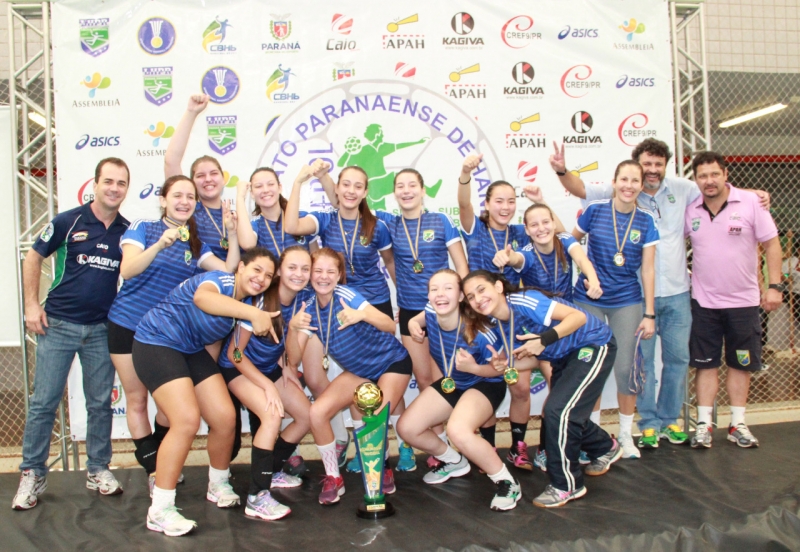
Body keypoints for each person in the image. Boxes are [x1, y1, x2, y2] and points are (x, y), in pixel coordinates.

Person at [551, 138, 770, 449]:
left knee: (678, 359)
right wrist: (562, 171)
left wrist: (753, 196)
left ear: (666, 166)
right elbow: (581, 189)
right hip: (639, 296)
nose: (652, 170)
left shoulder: (685, 189)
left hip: (679, 292)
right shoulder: (621, 190)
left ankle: (670, 421)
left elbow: (716, 187)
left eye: (658, 164)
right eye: (647, 165)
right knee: (643, 364)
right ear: (635, 170)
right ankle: (648, 424)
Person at [132, 247, 279, 537]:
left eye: (268, 275)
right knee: (186, 420)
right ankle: (159, 509)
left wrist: (202, 385)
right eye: (256, 270)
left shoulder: (244, 303)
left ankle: (218, 483)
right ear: (240, 268)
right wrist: (254, 313)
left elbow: (216, 346)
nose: (261, 278)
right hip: (156, 342)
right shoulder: (222, 281)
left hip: (189, 350)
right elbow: (203, 298)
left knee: (224, 416)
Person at [13, 158, 130, 511]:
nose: (114, 188)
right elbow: (33, 258)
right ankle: (32, 473)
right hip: (58, 325)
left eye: (121, 183)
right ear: (95, 184)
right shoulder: (68, 221)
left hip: (101, 329)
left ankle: (98, 469)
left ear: (126, 188)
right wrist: (31, 305)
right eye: (108, 181)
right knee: (44, 403)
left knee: (100, 403)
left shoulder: (127, 230)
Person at [107, 175, 239, 484]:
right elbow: (127, 270)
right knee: (137, 399)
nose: (184, 201)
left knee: (169, 411)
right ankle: (155, 470)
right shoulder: (144, 227)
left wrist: (232, 235)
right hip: (128, 325)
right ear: (163, 200)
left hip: (167, 334)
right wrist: (158, 245)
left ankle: (163, 460)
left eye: (190, 197)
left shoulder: (195, 242)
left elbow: (228, 270)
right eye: (177, 195)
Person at [460, 270, 620, 508]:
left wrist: (543, 340)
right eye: (471, 296)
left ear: (499, 287)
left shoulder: (524, 301)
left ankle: (567, 485)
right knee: (564, 411)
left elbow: (577, 317)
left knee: (558, 411)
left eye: (481, 290)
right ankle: (605, 447)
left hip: (592, 344)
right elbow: (532, 360)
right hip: (563, 357)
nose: (477, 299)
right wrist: (505, 365)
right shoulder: (500, 326)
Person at [287, 248, 412, 506]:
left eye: (330, 271)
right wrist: (292, 328)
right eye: (318, 271)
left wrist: (362, 314)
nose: (323, 277)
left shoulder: (347, 295)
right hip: (358, 372)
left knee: (373, 420)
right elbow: (294, 357)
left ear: (339, 275)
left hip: (391, 363)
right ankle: (334, 477)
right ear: (310, 275)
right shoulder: (308, 305)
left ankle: (384, 467)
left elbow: (390, 325)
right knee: (316, 413)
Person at [399, 269, 521, 511]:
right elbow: (419, 318)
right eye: (434, 289)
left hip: (485, 383)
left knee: (458, 431)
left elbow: (501, 371)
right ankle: (454, 461)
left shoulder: (481, 332)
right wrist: (412, 323)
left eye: (448, 288)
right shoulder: (431, 310)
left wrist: (474, 367)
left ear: (461, 296)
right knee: (407, 428)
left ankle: (507, 482)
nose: (440, 294)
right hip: (454, 383)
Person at [457, 154, 549, 469]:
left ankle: (518, 447)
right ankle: (486, 448)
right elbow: (464, 204)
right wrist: (465, 173)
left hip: (511, 317)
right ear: (487, 203)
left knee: (519, 386)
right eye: (499, 201)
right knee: (485, 383)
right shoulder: (475, 228)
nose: (505, 207)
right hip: (480, 318)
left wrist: (541, 202)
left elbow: (559, 235)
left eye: (511, 201)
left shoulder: (521, 233)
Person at [685, 151, 782, 449]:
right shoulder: (690, 209)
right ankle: (704, 425)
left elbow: (772, 243)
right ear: (695, 179)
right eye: (703, 175)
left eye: (715, 174)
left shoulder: (751, 202)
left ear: (726, 175)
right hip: (704, 302)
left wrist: (774, 286)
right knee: (706, 364)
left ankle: (737, 424)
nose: (709, 180)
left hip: (744, 302)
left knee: (741, 364)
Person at [568, 160, 658, 459]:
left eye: (635, 181)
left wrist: (649, 313)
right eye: (624, 179)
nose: (629, 186)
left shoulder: (646, 220)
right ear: (615, 181)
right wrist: (584, 275)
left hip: (626, 301)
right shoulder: (595, 210)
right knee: (591, 368)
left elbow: (648, 270)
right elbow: (570, 245)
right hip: (588, 300)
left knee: (625, 370)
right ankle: (591, 436)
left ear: (641, 185)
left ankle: (625, 434)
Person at [217, 247, 315, 521]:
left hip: (270, 368)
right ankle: (257, 497)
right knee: (272, 416)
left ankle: (270, 470)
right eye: (292, 267)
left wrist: (292, 332)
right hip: (237, 369)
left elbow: (294, 358)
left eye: (305, 269)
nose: (298, 274)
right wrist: (267, 385)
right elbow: (234, 354)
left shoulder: (304, 300)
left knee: (307, 416)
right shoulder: (260, 300)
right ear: (280, 271)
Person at [512, 201, 602, 470]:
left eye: (545, 222)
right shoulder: (526, 253)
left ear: (553, 222)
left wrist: (593, 280)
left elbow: (583, 260)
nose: (541, 228)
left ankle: (558, 446)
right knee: (540, 389)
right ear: (527, 229)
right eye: (534, 225)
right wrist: (509, 258)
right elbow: (518, 260)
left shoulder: (565, 241)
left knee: (562, 390)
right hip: (537, 328)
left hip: (566, 325)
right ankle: (538, 448)